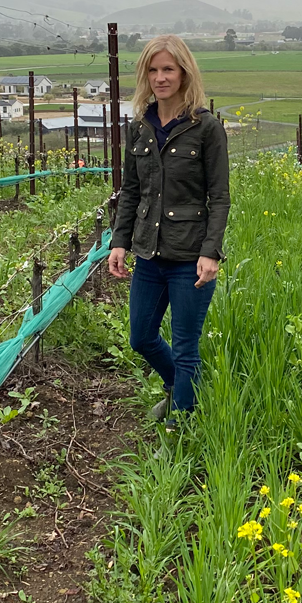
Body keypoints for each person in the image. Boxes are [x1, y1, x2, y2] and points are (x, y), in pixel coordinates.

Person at [108, 34, 229, 423]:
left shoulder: (206, 128)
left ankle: (180, 429)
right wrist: (119, 242)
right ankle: (183, 389)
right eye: (153, 70)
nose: (161, 78)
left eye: (168, 69)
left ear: (184, 73)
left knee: (185, 347)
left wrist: (211, 252)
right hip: (149, 254)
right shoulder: (140, 127)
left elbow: (219, 197)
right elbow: (130, 190)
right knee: (141, 337)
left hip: (190, 256)